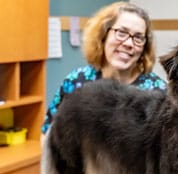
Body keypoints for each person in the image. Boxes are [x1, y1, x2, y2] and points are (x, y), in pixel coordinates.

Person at [41, 1, 167, 143]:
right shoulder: (76, 82)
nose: (128, 43)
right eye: (121, 33)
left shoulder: (157, 93)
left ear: (144, 47)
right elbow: (48, 134)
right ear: (103, 35)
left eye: (138, 37)